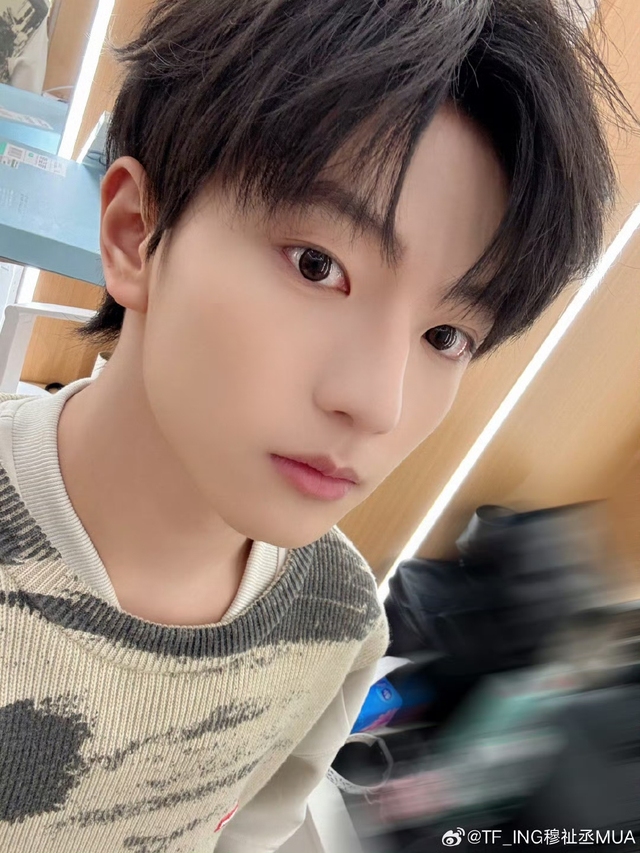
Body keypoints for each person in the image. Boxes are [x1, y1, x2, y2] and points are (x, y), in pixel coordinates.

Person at [0, 0, 623, 850]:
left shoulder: (338, 625)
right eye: (317, 265)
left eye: (447, 336)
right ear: (136, 234)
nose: (379, 403)